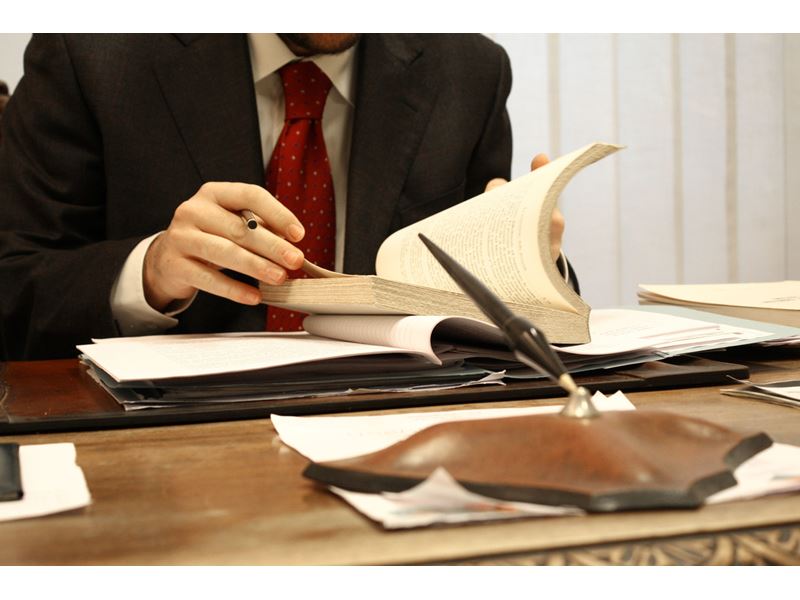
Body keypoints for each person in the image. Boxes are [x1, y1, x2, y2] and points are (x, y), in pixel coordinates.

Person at [0, 33, 573, 360]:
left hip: (392, 426)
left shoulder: (467, 70)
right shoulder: (94, 51)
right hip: (161, 440)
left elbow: (492, 330)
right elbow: (15, 284)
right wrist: (149, 273)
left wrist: (526, 263)